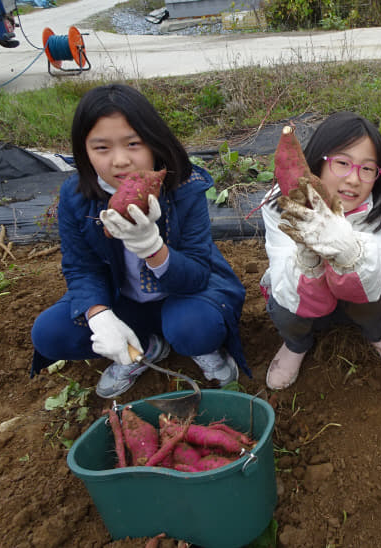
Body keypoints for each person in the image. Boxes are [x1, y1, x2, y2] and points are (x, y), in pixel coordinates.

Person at [30, 83, 248, 398]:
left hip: (186, 296)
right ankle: (145, 349)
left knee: (194, 328)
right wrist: (98, 314)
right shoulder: (76, 197)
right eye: (101, 148)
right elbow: (81, 267)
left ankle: (197, 346)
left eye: (133, 144)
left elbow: (199, 274)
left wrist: (153, 248)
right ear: (84, 152)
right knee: (50, 334)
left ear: (154, 143)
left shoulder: (186, 189)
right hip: (125, 301)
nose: (119, 161)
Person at [260, 111, 381, 390]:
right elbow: (285, 279)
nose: (354, 179)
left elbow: (374, 276)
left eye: (367, 168)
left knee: (371, 290)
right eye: (342, 163)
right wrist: (308, 255)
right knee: (283, 301)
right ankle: (296, 343)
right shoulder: (279, 204)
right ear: (317, 163)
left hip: (358, 296)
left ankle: (378, 331)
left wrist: (346, 250)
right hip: (301, 297)